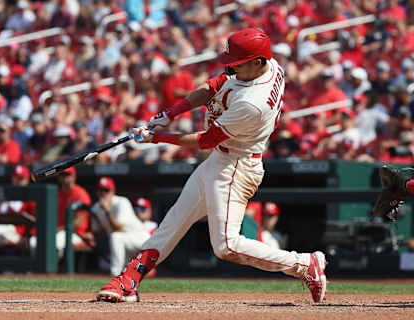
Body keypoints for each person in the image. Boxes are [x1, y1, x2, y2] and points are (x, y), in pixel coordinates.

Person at [97, 28, 327, 304]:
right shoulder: (266, 64)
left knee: (226, 246)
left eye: (237, 63)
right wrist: (168, 114)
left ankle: (304, 264)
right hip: (221, 159)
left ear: (257, 63)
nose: (231, 67)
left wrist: (157, 137)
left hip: (236, 166)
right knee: (174, 221)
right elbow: (214, 85)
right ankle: (129, 279)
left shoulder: (253, 103)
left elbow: (207, 140)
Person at [90, 177, 151, 278]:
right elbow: (97, 232)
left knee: (116, 236)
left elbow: (118, 228)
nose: (103, 193)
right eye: (101, 190)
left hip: (141, 240)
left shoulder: (122, 202)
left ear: (113, 191)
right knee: (130, 276)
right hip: (124, 244)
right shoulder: (96, 208)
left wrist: (107, 211)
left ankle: (115, 275)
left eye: (106, 190)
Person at [29, 167, 92, 258]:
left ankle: (52, 271)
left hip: (76, 233)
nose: (65, 178)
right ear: (59, 177)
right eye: (63, 175)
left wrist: (58, 229)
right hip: (57, 231)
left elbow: (77, 223)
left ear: (74, 176)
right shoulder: (56, 194)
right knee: (34, 241)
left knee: (56, 242)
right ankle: (36, 270)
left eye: (68, 175)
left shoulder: (81, 194)